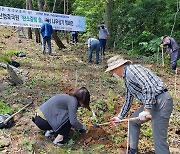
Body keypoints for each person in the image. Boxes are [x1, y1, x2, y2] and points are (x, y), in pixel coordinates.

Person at [105, 55, 173, 154]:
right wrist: (120, 117)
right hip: (153, 102)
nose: (113, 73)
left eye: (112, 71)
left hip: (161, 101)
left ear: (117, 67)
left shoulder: (132, 70)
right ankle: (132, 151)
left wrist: (147, 110)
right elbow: (128, 99)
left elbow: (148, 86)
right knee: (133, 121)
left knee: (159, 139)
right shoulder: (127, 79)